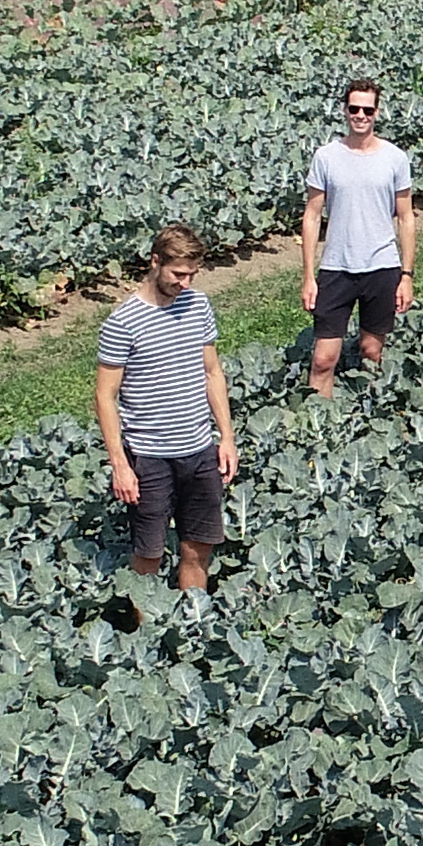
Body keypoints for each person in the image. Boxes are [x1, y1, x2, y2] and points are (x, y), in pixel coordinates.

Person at [93, 223, 239, 593]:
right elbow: (105, 397)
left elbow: (212, 371)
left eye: (192, 274)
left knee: (198, 546)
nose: (185, 283)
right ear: (155, 261)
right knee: (149, 554)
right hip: (149, 457)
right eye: (177, 274)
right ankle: (146, 635)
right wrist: (121, 466)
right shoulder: (122, 323)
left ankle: (192, 623)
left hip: (198, 449)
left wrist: (226, 438)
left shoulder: (198, 305)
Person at [297, 77, 419, 389]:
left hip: (381, 266)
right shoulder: (326, 157)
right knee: (323, 358)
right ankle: (315, 423)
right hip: (337, 267)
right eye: (355, 109)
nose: (361, 116)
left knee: (371, 351)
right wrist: (309, 276)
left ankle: (367, 418)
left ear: (377, 112)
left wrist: (406, 275)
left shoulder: (394, 158)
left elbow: (406, 218)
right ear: (345, 111)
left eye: (367, 110)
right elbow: (311, 216)